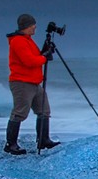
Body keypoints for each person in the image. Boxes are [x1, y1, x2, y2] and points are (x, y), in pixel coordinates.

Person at [4, 13, 60, 154]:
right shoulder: (18, 41)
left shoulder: (27, 40)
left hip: (34, 83)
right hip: (22, 82)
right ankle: (11, 144)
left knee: (44, 110)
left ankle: (43, 140)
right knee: (19, 113)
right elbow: (29, 61)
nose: (35, 27)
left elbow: (35, 57)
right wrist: (44, 57)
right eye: (33, 25)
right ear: (26, 26)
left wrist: (44, 53)